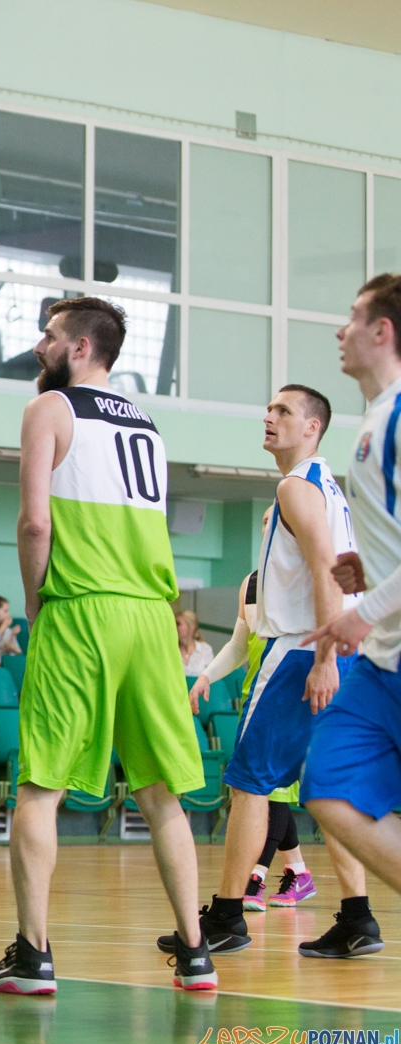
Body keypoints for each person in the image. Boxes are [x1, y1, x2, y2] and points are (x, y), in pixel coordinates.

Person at [0, 297, 215, 995]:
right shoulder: (148, 424)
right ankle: (197, 951)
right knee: (161, 790)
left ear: (80, 347)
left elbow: (32, 522)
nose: (38, 344)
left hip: (81, 607)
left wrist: (32, 597)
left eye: (49, 334)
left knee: (40, 785)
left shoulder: (48, 411)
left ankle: (33, 953)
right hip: (151, 616)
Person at [167, 385, 362, 957]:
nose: (268, 417)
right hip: (337, 649)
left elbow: (329, 573)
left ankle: (227, 916)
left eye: (283, 412)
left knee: (250, 785)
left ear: (313, 428)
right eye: (269, 408)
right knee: (331, 793)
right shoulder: (331, 489)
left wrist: (322, 657)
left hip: (302, 650)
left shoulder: (296, 486)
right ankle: (357, 918)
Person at [298, 273, 401, 960]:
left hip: (380, 635)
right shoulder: (372, 422)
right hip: (383, 657)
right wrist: (371, 566)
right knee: (327, 788)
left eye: (352, 317)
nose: (341, 330)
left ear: (383, 330)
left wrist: (364, 607)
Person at [176, 610, 215, 675]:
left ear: (190, 627)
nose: (174, 627)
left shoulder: (205, 650)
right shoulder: (171, 650)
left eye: (178, 624)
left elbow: (212, 676)